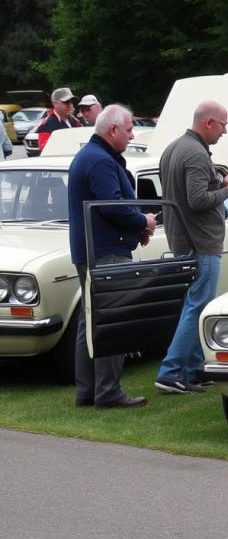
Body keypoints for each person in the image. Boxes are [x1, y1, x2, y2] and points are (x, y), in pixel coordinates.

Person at [67, 104, 155, 409]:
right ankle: (108, 392)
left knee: (89, 321)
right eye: (129, 129)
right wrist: (142, 221)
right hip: (105, 252)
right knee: (111, 320)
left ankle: (88, 391)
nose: (132, 135)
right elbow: (112, 206)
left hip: (94, 249)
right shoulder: (100, 160)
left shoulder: (91, 156)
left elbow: (108, 207)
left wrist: (134, 227)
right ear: (113, 130)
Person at [155, 101, 228, 394]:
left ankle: (193, 370)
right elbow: (196, 200)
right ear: (208, 123)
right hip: (201, 243)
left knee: (196, 306)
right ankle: (170, 373)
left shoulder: (174, 147)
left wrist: (218, 182)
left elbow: (188, 192)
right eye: (223, 125)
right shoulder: (195, 153)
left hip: (183, 240)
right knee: (197, 308)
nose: (225, 131)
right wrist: (227, 191)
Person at [37, 87, 82, 152]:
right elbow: (44, 149)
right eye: (66, 102)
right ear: (55, 103)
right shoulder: (46, 124)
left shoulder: (76, 122)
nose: (70, 105)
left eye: (71, 102)